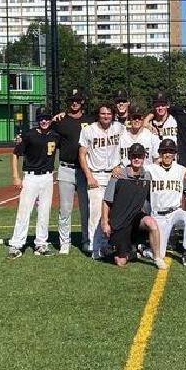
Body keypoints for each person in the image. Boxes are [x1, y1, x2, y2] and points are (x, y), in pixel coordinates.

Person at [101, 143, 166, 269]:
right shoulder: (118, 175)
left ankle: (157, 258)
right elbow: (106, 201)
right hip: (120, 221)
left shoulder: (147, 176)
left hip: (136, 217)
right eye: (134, 156)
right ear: (129, 157)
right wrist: (105, 222)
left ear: (144, 158)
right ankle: (126, 250)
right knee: (121, 262)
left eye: (140, 156)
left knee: (151, 223)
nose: (137, 159)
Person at [7, 113, 59, 259]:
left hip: (47, 177)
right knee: (24, 211)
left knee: (44, 212)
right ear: (37, 120)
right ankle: (16, 244)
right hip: (31, 177)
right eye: (41, 118)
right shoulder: (29, 135)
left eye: (47, 118)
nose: (44, 121)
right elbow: (16, 154)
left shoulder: (55, 135)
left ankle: (41, 243)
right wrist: (16, 176)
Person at [78, 103, 125, 260]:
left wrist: (119, 165)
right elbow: (82, 154)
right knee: (96, 213)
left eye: (109, 114)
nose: (106, 116)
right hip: (96, 175)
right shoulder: (88, 130)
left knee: (113, 212)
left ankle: (108, 245)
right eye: (103, 113)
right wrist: (89, 176)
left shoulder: (118, 127)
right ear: (98, 115)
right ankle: (95, 247)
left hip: (114, 175)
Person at [52, 89, 95, 254]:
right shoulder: (60, 120)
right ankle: (64, 242)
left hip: (85, 170)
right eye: (71, 100)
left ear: (82, 101)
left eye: (77, 100)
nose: (74, 103)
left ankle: (86, 240)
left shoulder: (90, 120)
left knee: (86, 209)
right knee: (65, 209)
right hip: (66, 168)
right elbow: (46, 133)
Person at [144, 139, 186, 266]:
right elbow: (135, 168)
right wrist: (118, 169)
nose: (167, 154)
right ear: (160, 153)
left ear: (174, 154)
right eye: (164, 151)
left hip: (175, 212)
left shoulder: (181, 169)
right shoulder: (151, 169)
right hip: (158, 215)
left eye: (170, 152)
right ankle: (145, 250)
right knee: (159, 254)